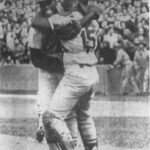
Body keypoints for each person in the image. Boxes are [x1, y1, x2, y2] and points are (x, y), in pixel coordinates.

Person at [32, 0, 102, 149]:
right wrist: (90, 14)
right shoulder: (92, 21)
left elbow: (36, 21)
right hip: (93, 72)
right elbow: (97, 44)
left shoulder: (60, 19)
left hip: (75, 73)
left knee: (50, 118)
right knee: (84, 116)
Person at [29, 0, 64, 145]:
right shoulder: (39, 24)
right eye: (44, 4)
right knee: (46, 100)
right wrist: (48, 63)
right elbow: (34, 52)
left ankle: (45, 127)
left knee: (51, 100)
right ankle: (43, 127)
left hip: (61, 66)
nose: (47, 6)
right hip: (52, 66)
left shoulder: (39, 22)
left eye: (49, 3)